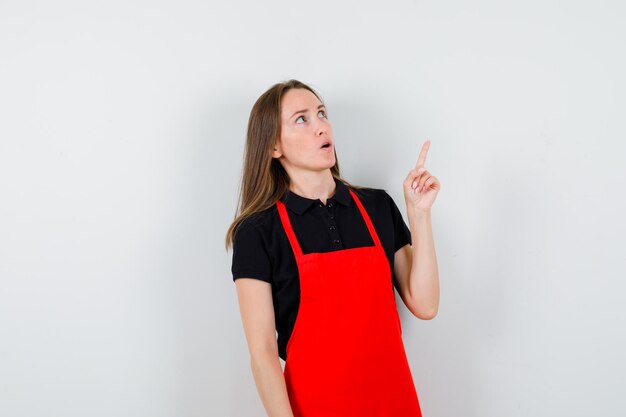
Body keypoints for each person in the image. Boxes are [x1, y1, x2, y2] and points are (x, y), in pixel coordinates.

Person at [225, 79, 440, 417]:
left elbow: (425, 304)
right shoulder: (258, 233)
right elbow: (263, 352)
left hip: (393, 403)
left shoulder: (377, 207)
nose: (320, 126)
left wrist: (419, 214)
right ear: (272, 147)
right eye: (302, 119)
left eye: (322, 113)